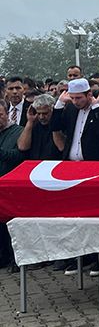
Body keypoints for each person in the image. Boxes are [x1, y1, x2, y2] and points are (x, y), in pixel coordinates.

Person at [50, 78, 99, 162]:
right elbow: (55, 127)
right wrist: (59, 104)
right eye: (72, 98)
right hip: (71, 162)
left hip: (94, 162)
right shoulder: (71, 108)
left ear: (89, 94)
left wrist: (95, 108)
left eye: (79, 98)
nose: (75, 102)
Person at [0, 100, 24, 269]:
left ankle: (16, 258)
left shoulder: (17, 131)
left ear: (6, 114)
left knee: (11, 225)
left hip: (10, 186)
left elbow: (19, 155)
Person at [17, 94, 62, 159]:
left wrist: (55, 120)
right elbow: (22, 147)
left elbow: (61, 147)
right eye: (39, 113)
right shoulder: (34, 125)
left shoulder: (60, 124)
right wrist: (30, 121)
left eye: (45, 113)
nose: (41, 117)